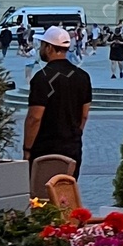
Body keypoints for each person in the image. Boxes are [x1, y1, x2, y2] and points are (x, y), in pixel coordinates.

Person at [23, 24, 92, 178]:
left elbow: (35, 117)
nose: (40, 48)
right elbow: (84, 115)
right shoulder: (83, 76)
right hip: (72, 148)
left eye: (42, 45)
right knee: (65, 194)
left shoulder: (42, 78)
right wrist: (74, 134)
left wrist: (27, 149)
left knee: (41, 196)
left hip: (45, 149)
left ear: (49, 48)